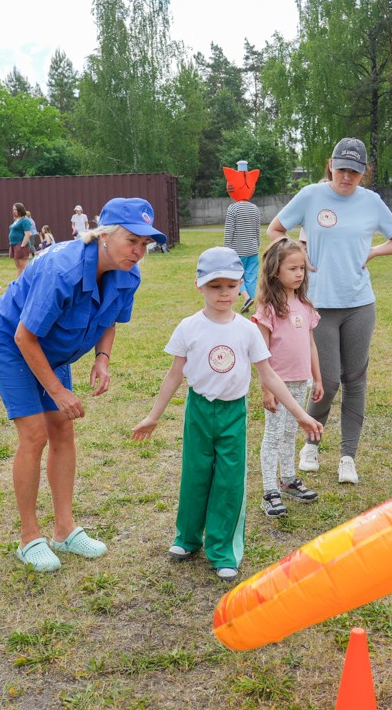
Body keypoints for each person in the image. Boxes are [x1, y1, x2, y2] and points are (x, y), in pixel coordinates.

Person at [0, 198, 167, 574]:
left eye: (145, 244)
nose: (139, 251)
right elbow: (24, 336)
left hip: (51, 348)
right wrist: (57, 390)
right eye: (132, 240)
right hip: (12, 341)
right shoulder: (61, 269)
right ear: (103, 235)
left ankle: (64, 530)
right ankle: (30, 537)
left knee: (63, 430)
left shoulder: (128, 273)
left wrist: (102, 358)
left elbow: (110, 317)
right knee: (34, 435)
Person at [131, 247, 323, 582]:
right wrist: (153, 416)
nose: (224, 293)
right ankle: (187, 538)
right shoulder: (189, 327)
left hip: (233, 413)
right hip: (199, 412)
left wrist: (301, 414)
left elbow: (269, 375)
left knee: (229, 481)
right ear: (199, 285)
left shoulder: (246, 330)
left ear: (240, 286)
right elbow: (174, 375)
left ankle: (222, 549)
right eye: (215, 286)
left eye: (231, 286)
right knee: (196, 474)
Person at [267, 137, 392, 484]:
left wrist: (374, 252)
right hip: (318, 307)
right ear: (331, 165)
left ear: (363, 173)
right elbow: (275, 229)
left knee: (355, 380)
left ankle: (348, 457)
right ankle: (311, 444)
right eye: (342, 169)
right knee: (326, 382)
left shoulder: (371, 202)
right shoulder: (311, 196)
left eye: (355, 172)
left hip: (360, 304)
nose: (347, 177)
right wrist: (296, 253)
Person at [252, 238, 323, 518]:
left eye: (302, 269)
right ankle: (270, 490)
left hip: (301, 382)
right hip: (277, 384)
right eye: (292, 268)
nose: (299, 274)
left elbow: (311, 344)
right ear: (275, 271)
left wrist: (316, 378)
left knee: (291, 433)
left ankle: (288, 479)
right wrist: (266, 389)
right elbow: (261, 353)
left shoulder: (305, 305)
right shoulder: (268, 309)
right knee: (273, 436)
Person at [223, 167, 261, 314]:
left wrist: (226, 249)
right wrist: (256, 245)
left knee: (237, 275)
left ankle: (246, 298)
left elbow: (229, 231)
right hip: (253, 250)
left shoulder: (233, 209)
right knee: (251, 276)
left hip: (237, 251)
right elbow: (257, 230)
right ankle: (250, 300)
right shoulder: (255, 209)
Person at [8, 202, 33, 279]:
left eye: (15, 209)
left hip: (21, 245)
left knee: (23, 266)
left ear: (20, 209)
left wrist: (22, 245)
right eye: (13, 209)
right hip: (14, 245)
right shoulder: (16, 220)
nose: (13, 211)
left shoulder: (25, 220)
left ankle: (28, 281)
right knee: (18, 266)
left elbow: (28, 233)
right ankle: (18, 282)